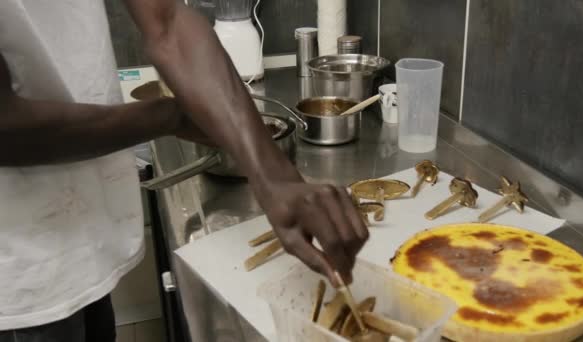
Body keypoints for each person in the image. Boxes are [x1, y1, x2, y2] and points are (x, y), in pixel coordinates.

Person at [0, 0, 368, 341]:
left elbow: (169, 22)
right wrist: (167, 115)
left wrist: (278, 177)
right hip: (15, 276)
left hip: (79, 241)